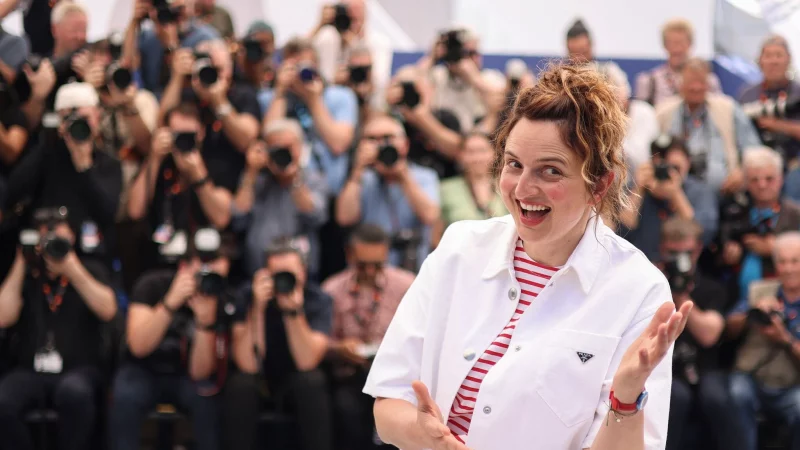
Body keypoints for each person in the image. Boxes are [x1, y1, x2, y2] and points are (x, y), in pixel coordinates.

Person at [364, 62, 693, 450]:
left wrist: (625, 398)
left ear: (599, 185)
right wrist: (427, 438)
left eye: (550, 171)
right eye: (514, 164)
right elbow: (389, 403)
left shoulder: (638, 289)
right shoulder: (459, 248)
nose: (522, 189)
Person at [0, 210, 117, 450]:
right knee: (3, 400)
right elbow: (3, 317)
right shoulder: (28, 275)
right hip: (30, 370)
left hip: (79, 370)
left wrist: (72, 269)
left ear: (72, 236)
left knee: (74, 393)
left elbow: (109, 310)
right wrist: (22, 261)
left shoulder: (90, 269)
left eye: (57, 231)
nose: (51, 239)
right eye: (45, 232)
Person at [224, 237, 333, 450]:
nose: (283, 281)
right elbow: (247, 364)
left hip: (296, 378)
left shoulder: (318, 299)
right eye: (277, 274)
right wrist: (257, 308)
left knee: (312, 381)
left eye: (289, 274)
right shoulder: (247, 295)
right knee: (240, 384)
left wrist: (293, 312)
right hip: (261, 376)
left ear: (303, 272)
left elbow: (307, 362)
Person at [322, 223, 415, 450]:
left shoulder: (406, 285)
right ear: (349, 255)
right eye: (363, 265)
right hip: (350, 375)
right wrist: (339, 348)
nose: (371, 272)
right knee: (346, 410)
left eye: (377, 265)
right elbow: (321, 342)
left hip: (396, 378)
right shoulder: (332, 289)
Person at [657, 217, 743, 450]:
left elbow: (709, 336)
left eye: (686, 253)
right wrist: (664, 284)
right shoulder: (651, 284)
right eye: (673, 253)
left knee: (716, 397)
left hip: (706, 367)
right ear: (663, 249)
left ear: (697, 250)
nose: (680, 259)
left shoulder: (711, 287)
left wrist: (681, 296)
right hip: (666, 367)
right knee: (675, 397)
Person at [725, 231, 800, 450]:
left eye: (795, 261)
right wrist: (753, 311)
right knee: (737, 391)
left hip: (792, 386)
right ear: (775, 265)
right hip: (754, 379)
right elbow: (729, 329)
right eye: (782, 262)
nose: (788, 268)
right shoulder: (760, 290)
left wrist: (784, 338)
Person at [655, 57, 761, 194]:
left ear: (709, 84)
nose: (696, 87)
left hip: (726, 192)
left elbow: (753, 150)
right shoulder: (663, 112)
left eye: (701, 82)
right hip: (673, 192)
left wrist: (742, 172)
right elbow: (652, 153)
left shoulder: (728, 108)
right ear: (680, 84)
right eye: (690, 82)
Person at [738, 35, 800, 171]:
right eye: (768, 56)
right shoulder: (747, 95)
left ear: (788, 60)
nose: (774, 61)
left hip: (793, 162)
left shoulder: (797, 92)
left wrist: (777, 125)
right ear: (760, 61)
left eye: (779, 55)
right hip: (756, 165)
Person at [634, 18, 722, 108]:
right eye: (671, 43)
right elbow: (642, 113)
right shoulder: (649, 81)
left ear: (690, 44)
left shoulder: (709, 81)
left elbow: (719, 110)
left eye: (681, 43)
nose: (676, 49)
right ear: (664, 45)